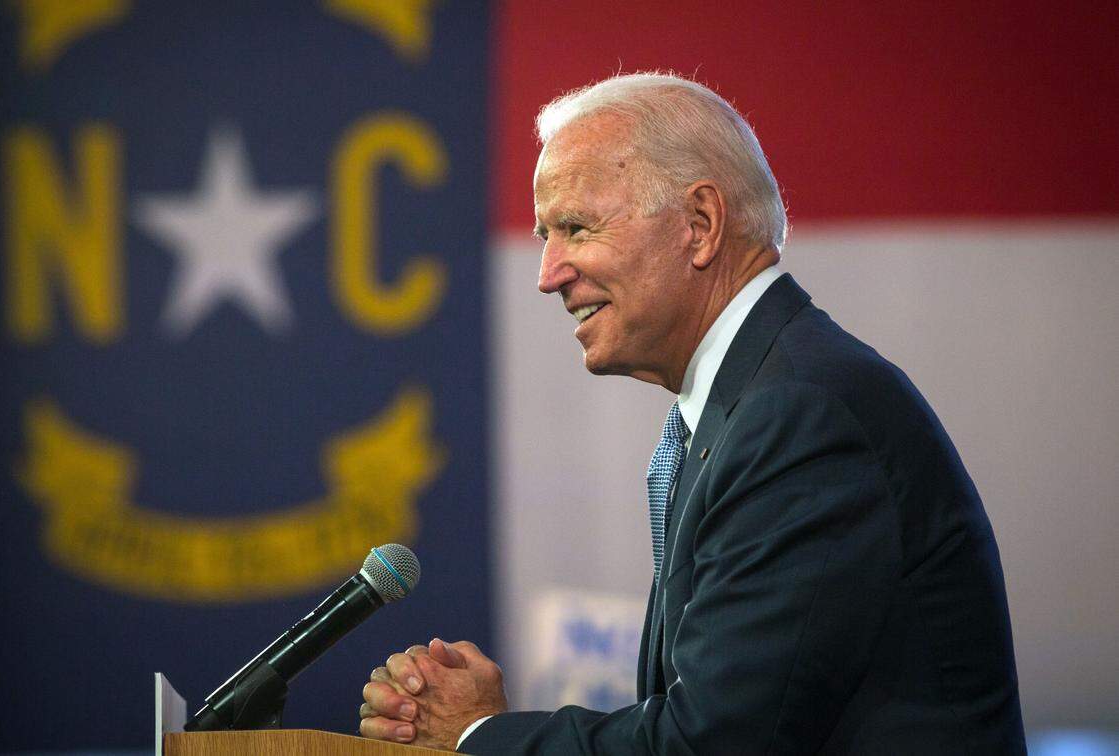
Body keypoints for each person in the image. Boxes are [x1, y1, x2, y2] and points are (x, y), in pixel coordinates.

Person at [358, 72, 1025, 754]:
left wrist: (480, 736)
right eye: (544, 237)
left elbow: (711, 744)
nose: (549, 273)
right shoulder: (750, 407)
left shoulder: (799, 419)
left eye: (575, 228)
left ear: (700, 226)